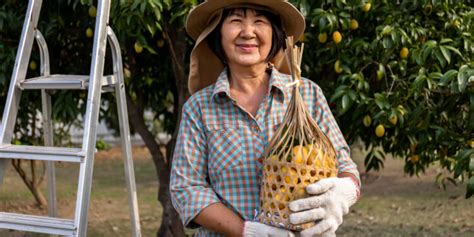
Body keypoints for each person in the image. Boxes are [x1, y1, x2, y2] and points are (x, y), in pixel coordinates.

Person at [170, 1, 360, 236]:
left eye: (260, 21)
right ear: (218, 33)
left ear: (275, 34)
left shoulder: (306, 94)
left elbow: (343, 165)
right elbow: (186, 187)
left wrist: (344, 192)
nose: (248, 32)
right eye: (236, 21)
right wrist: (246, 230)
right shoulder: (199, 109)